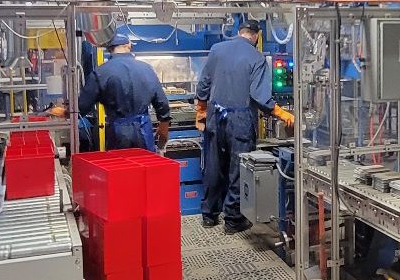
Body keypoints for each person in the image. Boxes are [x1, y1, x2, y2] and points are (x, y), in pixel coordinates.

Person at [195, 20, 295, 233]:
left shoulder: (217, 49)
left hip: (215, 116)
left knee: (213, 166)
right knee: (238, 168)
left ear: (239, 32)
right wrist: (281, 112)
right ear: (257, 36)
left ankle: (209, 216)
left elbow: (203, 83)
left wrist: (201, 110)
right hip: (239, 120)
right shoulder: (256, 57)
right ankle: (232, 219)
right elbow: (259, 96)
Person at [79, 34, 173, 152]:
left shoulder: (100, 72)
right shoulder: (146, 69)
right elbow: (161, 101)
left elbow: (82, 106)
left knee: (121, 167)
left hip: (118, 133)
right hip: (143, 130)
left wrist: (66, 112)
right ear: (128, 46)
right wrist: (164, 126)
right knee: (147, 166)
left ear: (109, 49)